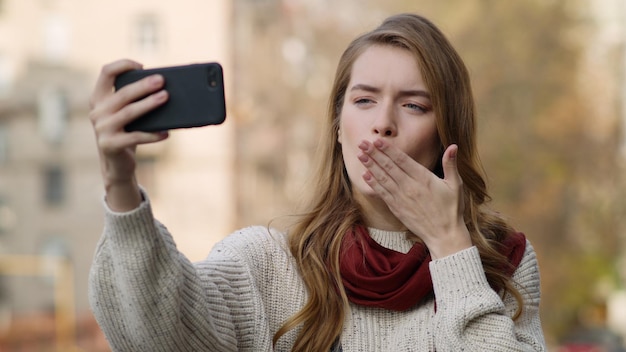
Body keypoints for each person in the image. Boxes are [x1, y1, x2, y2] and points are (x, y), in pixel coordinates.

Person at [88, 13, 546, 351]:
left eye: (413, 106)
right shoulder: (269, 265)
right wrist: (120, 181)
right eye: (364, 100)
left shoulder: (502, 265)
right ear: (337, 126)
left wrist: (450, 245)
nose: (382, 124)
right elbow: (156, 332)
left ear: (448, 133)